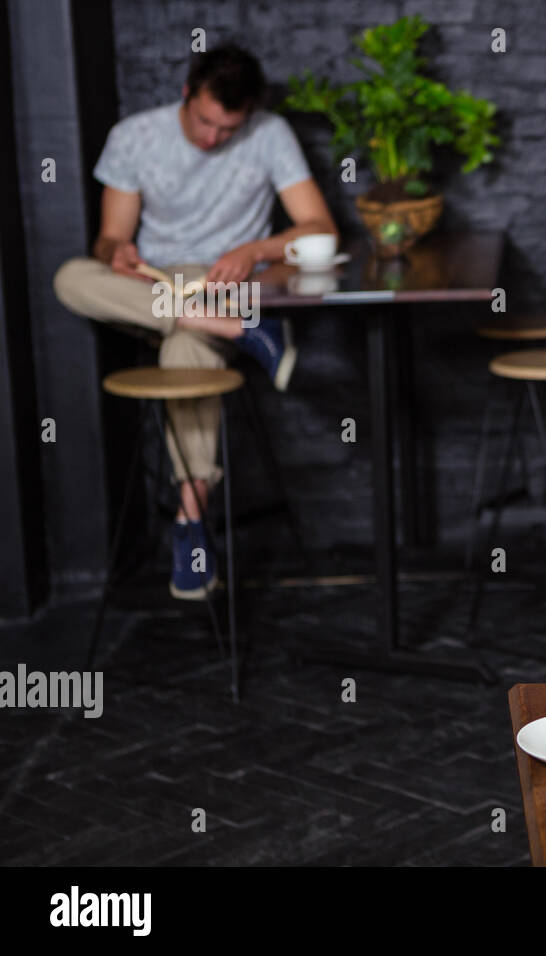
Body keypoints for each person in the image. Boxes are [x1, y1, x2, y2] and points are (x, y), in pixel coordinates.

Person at [53, 44, 336, 600]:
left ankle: (190, 528)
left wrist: (255, 249)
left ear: (248, 114)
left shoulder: (271, 133)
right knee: (71, 277)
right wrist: (117, 253)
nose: (212, 138)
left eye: (227, 129)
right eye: (205, 121)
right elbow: (109, 238)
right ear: (187, 94)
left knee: (185, 349)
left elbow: (319, 228)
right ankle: (246, 333)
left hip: (228, 284)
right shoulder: (135, 136)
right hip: (156, 284)